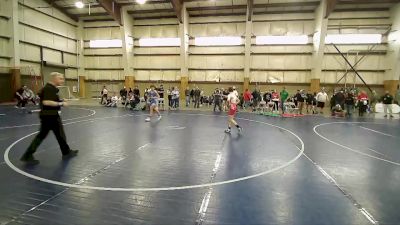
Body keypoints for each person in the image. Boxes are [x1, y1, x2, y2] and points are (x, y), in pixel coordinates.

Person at [20, 72, 78, 164]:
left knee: (55, 135)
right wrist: (61, 103)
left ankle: (28, 155)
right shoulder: (49, 89)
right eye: (60, 78)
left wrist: (60, 100)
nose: (62, 80)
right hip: (51, 116)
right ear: (54, 79)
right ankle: (28, 155)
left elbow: (48, 99)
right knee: (56, 135)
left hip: (48, 116)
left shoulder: (50, 89)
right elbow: (46, 102)